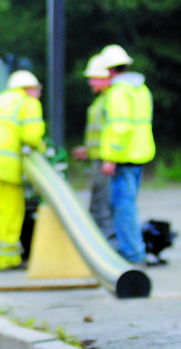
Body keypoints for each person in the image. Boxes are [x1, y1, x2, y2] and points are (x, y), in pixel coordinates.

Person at [0, 70, 45, 270]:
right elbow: (31, 136)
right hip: (6, 164)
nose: (38, 93)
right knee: (10, 210)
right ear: (28, 88)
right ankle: (7, 258)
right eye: (37, 89)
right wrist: (41, 148)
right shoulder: (28, 103)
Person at [98, 44, 155, 265]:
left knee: (123, 207)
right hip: (140, 153)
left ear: (110, 70)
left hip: (123, 157)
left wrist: (111, 157)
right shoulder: (141, 89)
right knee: (128, 204)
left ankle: (131, 254)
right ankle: (134, 251)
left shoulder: (118, 92)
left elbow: (120, 128)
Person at [72, 55, 115, 248]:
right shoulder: (102, 101)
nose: (90, 82)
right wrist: (88, 151)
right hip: (101, 159)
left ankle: (108, 248)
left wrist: (110, 158)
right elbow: (103, 135)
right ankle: (101, 246)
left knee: (104, 207)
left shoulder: (112, 100)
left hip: (107, 162)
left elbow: (115, 132)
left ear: (106, 77)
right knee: (98, 206)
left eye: (94, 78)